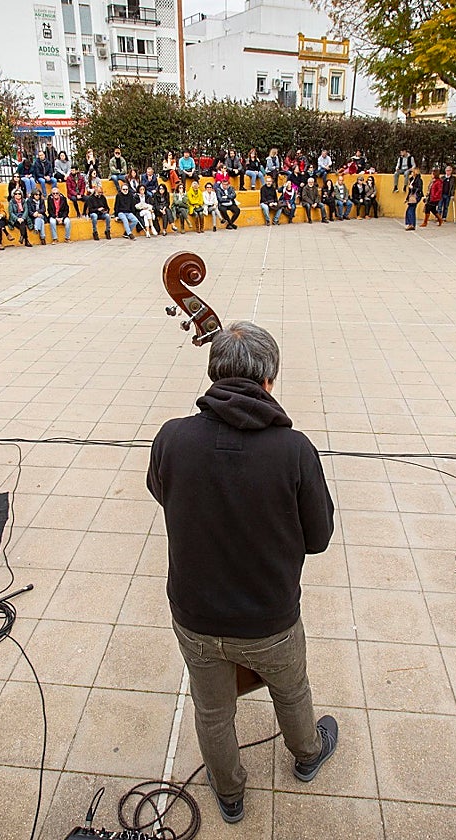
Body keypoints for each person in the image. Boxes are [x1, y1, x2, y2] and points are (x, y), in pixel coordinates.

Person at [147, 321, 338, 825]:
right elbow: (318, 539)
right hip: (269, 618)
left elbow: (162, 492)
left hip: (195, 615)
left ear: (213, 376)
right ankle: (307, 753)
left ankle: (229, 792)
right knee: (291, 690)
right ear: (269, 381)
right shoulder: (293, 449)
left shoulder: (172, 437)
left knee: (212, 709)